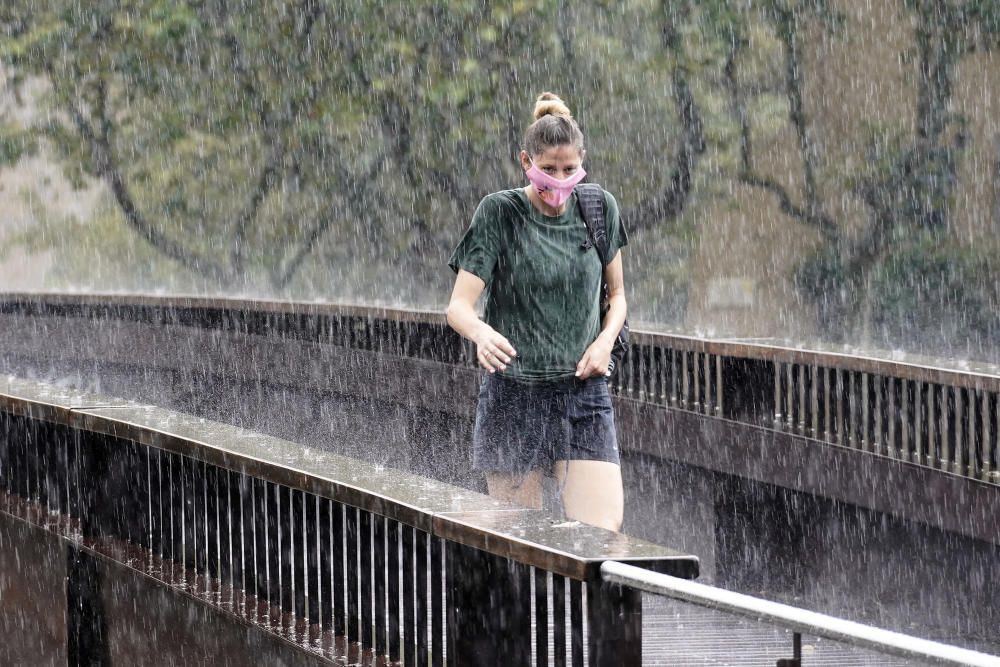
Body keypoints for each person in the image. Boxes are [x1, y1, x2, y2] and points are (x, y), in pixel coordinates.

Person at [445, 92, 629, 532]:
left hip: (582, 393)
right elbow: (458, 307)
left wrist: (604, 344)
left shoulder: (598, 208)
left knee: (600, 538)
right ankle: (524, 604)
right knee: (519, 541)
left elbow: (618, 296)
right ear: (525, 161)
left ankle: (584, 605)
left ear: (582, 162)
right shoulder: (500, 213)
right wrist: (482, 334)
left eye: (569, 170)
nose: (559, 181)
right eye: (548, 170)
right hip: (514, 392)